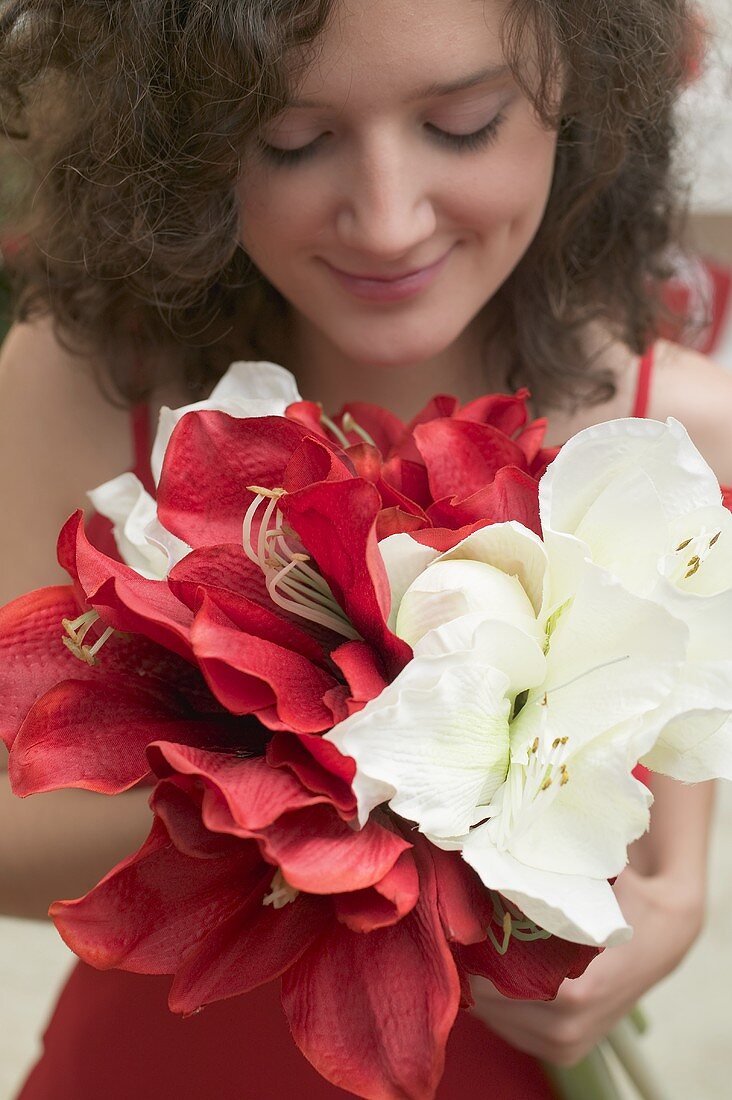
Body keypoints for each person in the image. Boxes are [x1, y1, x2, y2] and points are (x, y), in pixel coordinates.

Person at [0, 0, 729, 1095]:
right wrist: (302, 774)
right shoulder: (92, 381)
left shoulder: (672, 434)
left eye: (465, 124)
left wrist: (664, 918)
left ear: (578, 90)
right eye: (289, 142)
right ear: (180, 135)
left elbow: (661, 864)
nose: (387, 221)